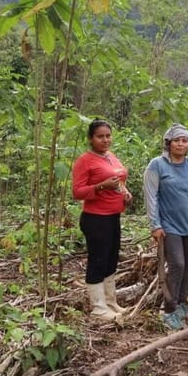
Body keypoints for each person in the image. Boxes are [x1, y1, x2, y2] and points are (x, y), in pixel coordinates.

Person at [144, 124, 188, 330]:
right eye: (177, 140)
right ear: (168, 143)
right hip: (169, 226)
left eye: (185, 140)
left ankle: (181, 302)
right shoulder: (157, 165)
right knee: (177, 265)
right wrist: (155, 225)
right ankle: (169, 309)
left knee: (185, 265)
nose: (181, 144)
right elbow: (151, 196)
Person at [72, 119, 133, 322]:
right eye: (100, 136)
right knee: (97, 261)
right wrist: (100, 186)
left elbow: (119, 181)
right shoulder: (85, 160)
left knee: (111, 259)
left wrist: (126, 193)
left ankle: (110, 301)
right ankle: (98, 308)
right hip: (95, 218)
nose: (105, 140)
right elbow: (77, 192)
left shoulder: (110, 156)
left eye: (108, 135)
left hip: (113, 216)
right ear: (91, 138)